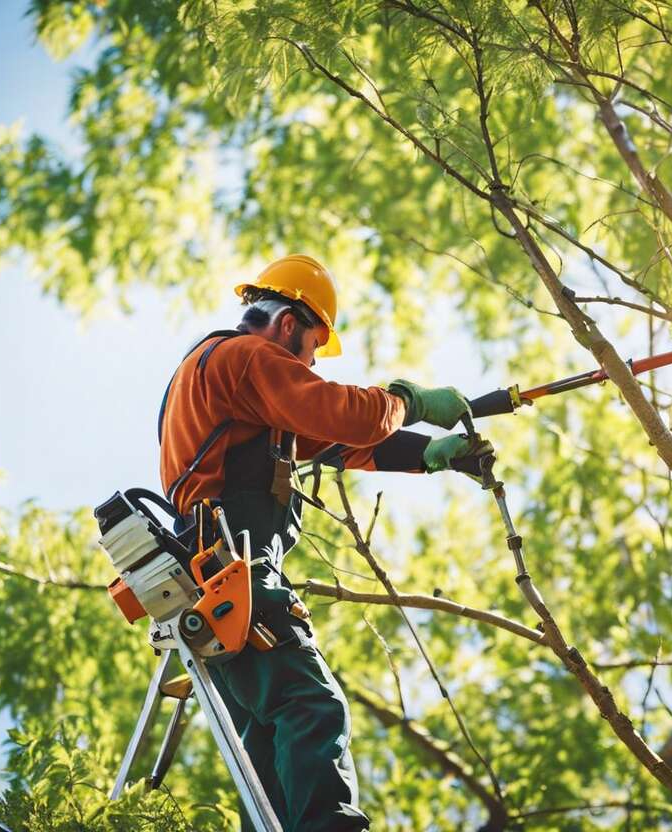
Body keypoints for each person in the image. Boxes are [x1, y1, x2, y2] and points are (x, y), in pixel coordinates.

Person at [157, 254, 479, 831]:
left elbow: (336, 443)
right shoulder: (245, 357)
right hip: (232, 569)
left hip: (211, 577)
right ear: (287, 325)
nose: (308, 364)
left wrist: (430, 455)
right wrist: (411, 398)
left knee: (267, 734)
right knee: (311, 706)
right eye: (310, 350)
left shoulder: (232, 383)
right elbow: (344, 415)